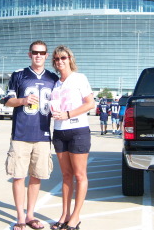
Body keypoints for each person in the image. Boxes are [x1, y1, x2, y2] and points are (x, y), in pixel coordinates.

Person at [3, 40, 59, 230]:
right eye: (35, 52)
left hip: (43, 134)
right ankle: (20, 217)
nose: (38, 56)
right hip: (21, 133)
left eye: (42, 53)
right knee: (18, 176)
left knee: (37, 176)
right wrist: (23, 100)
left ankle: (30, 215)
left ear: (46, 55)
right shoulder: (19, 75)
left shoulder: (53, 78)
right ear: (29, 54)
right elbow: (8, 101)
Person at [49, 45, 95, 230]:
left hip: (78, 131)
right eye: (56, 59)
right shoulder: (55, 82)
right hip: (59, 132)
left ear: (70, 59)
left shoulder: (79, 78)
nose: (60, 61)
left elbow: (90, 104)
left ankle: (75, 217)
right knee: (66, 176)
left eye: (63, 58)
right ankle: (64, 215)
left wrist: (68, 114)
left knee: (79, 174)